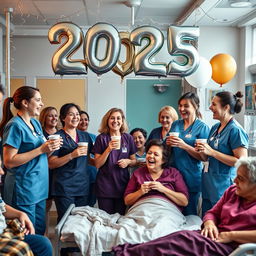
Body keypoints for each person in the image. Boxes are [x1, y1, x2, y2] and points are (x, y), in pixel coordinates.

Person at [112, 156, 256, 256]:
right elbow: (211, 213)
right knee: (176, 237)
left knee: (180, 243)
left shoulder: (173, 174)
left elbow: (184, 200)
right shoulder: (232, 192)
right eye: (236, 176)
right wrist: (210, 224)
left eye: (241, 179)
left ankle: (125, 253)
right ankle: (127, 251)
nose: (235, 180)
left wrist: (231, 235)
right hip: (212, 235)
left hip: (230, 246)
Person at [0, 86, 61, 235]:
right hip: (23, 189)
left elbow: (42, 155)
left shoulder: (35, 123)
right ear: (25, 103)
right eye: (38, 100)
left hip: (39, 188)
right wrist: (41, 149)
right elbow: (9, 161)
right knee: (27, 234)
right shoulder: (15, 125)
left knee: (39, 230)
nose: (41, 103)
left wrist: (52, 147)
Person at [196, 91, 249, 216]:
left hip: (223, 186)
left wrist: (213, 152)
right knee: (207, 221)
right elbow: (207, 155)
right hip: (209, 184)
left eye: (214, 104)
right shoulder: (215, 128)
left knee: (220, 223)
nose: (210, 108)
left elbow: (242, 161)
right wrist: (202, 150)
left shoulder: (235, 130)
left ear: (226, 108)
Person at [166, 92, 210, 215]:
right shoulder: (176, 124)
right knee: (173, 213)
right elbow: (166, 148)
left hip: (191, 177)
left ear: (195, 106)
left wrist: (184, 146)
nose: (181, 109)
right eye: (180, 105)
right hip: (173, 175)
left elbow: (204, 157)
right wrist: (168, 144)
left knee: (189, 215)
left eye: (186, 106)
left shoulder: (202, 128)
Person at [48, 103, 93, 222]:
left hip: (82, 186)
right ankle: (61, 241)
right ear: (63, 118)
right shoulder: (57, 137)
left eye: (77, 114)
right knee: (66, 222)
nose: (76, 117)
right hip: (64, 187)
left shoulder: (85, 136)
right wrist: (72, 155)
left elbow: (90, 159)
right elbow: (51, 163)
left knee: (80, 222)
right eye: (71, 114)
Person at [0, 162, 52, 256]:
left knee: (43, 243)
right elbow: (9, 161)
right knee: (21, 249)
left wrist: (21, 214)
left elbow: (1, 206)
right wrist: (41, 150)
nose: (2, 172)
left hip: (4, 231)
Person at [93, 108, 136, 215]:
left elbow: (134, 160)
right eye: (112, 118)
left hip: (122, 185)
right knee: (106, 219)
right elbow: (97, 164)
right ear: (107, 120)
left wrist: (128, 162)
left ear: (122, 121)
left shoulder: (128, 138)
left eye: (118, 118)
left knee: (120, 218)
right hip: (105, 186)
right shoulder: (101, 138)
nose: (115, 121)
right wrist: (108, 149)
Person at [124, 139, 188, 210]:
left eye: (156, 154)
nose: (151, 156)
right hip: (142, 209)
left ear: (163, 160)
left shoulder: (173, 173)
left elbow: (184, 201)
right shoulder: (138, 173)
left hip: (166, 210)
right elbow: (127, 201)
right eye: (149, 153)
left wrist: (163, 189)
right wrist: (140, 192)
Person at [39, 106, 59, 233]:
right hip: (45, 174)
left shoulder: (61, 133)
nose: (54, 118)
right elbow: (40, 156)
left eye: (56, 115)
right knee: (46, 206)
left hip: (60, 173)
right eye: (50, 115)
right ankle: (44, 233)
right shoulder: (40, 134)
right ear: (44, 118)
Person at [78, 110, 97, 207]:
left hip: (93, 175)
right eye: (81, 120)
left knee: (91, 204)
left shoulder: (94, 137)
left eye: (86, 120)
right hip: (79, 177)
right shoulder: (74, 137)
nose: (84, 122)